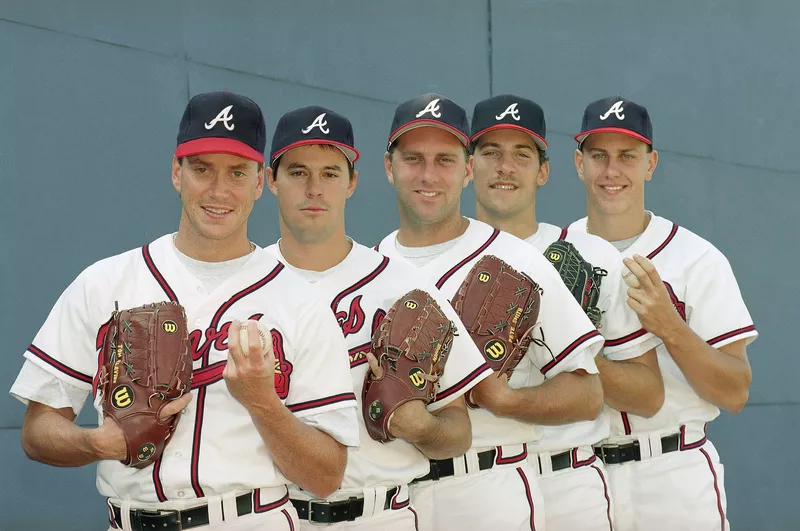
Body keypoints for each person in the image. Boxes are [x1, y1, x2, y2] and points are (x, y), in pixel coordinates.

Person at [9, 91, 360, 531]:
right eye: (201, 169)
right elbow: (37, 431)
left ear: (258, 182)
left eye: (236, 172)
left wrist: (263, 403)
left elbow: (327, 476)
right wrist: (99, 443)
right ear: (177, 172)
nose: (218, 190)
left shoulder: (302, 302)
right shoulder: (104, 283)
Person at [375, 92, 606, 531]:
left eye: (444, 160)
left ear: (466, 170)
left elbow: (589, 394)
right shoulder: (373, 267)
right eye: (413, 159)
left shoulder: (518, 261)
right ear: (389, 168)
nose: (428, 175)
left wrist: (506, 399)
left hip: (485, 485)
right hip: (396, 499)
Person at [264, 104, 492, 530]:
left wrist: (422, 427)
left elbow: (458, 431)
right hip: (276, 516)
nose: (315, 189)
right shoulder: (247, 291)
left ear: (351, 182)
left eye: (331, 173)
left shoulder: (404, 285)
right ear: (270, 181)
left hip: (383, 514)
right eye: (297, 172)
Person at [469, 94, 664, 530]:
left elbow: (648, 396)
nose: (505, 166)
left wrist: (570, 348)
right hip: (477, 486)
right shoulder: (437, 266)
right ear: (469, 166)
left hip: (569, 481)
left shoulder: (590, 257)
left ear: (544, 171)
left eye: (522, 154)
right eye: (491, 152)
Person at [569, 95, 758, 530]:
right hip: (581, 476)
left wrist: (670, 327)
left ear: (650, 164)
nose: (611, 171)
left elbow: (735, 393)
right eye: (598, 155)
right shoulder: (557, 254)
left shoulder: (696, 259)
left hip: (672, 470)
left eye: (627, 156)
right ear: (579, 164)